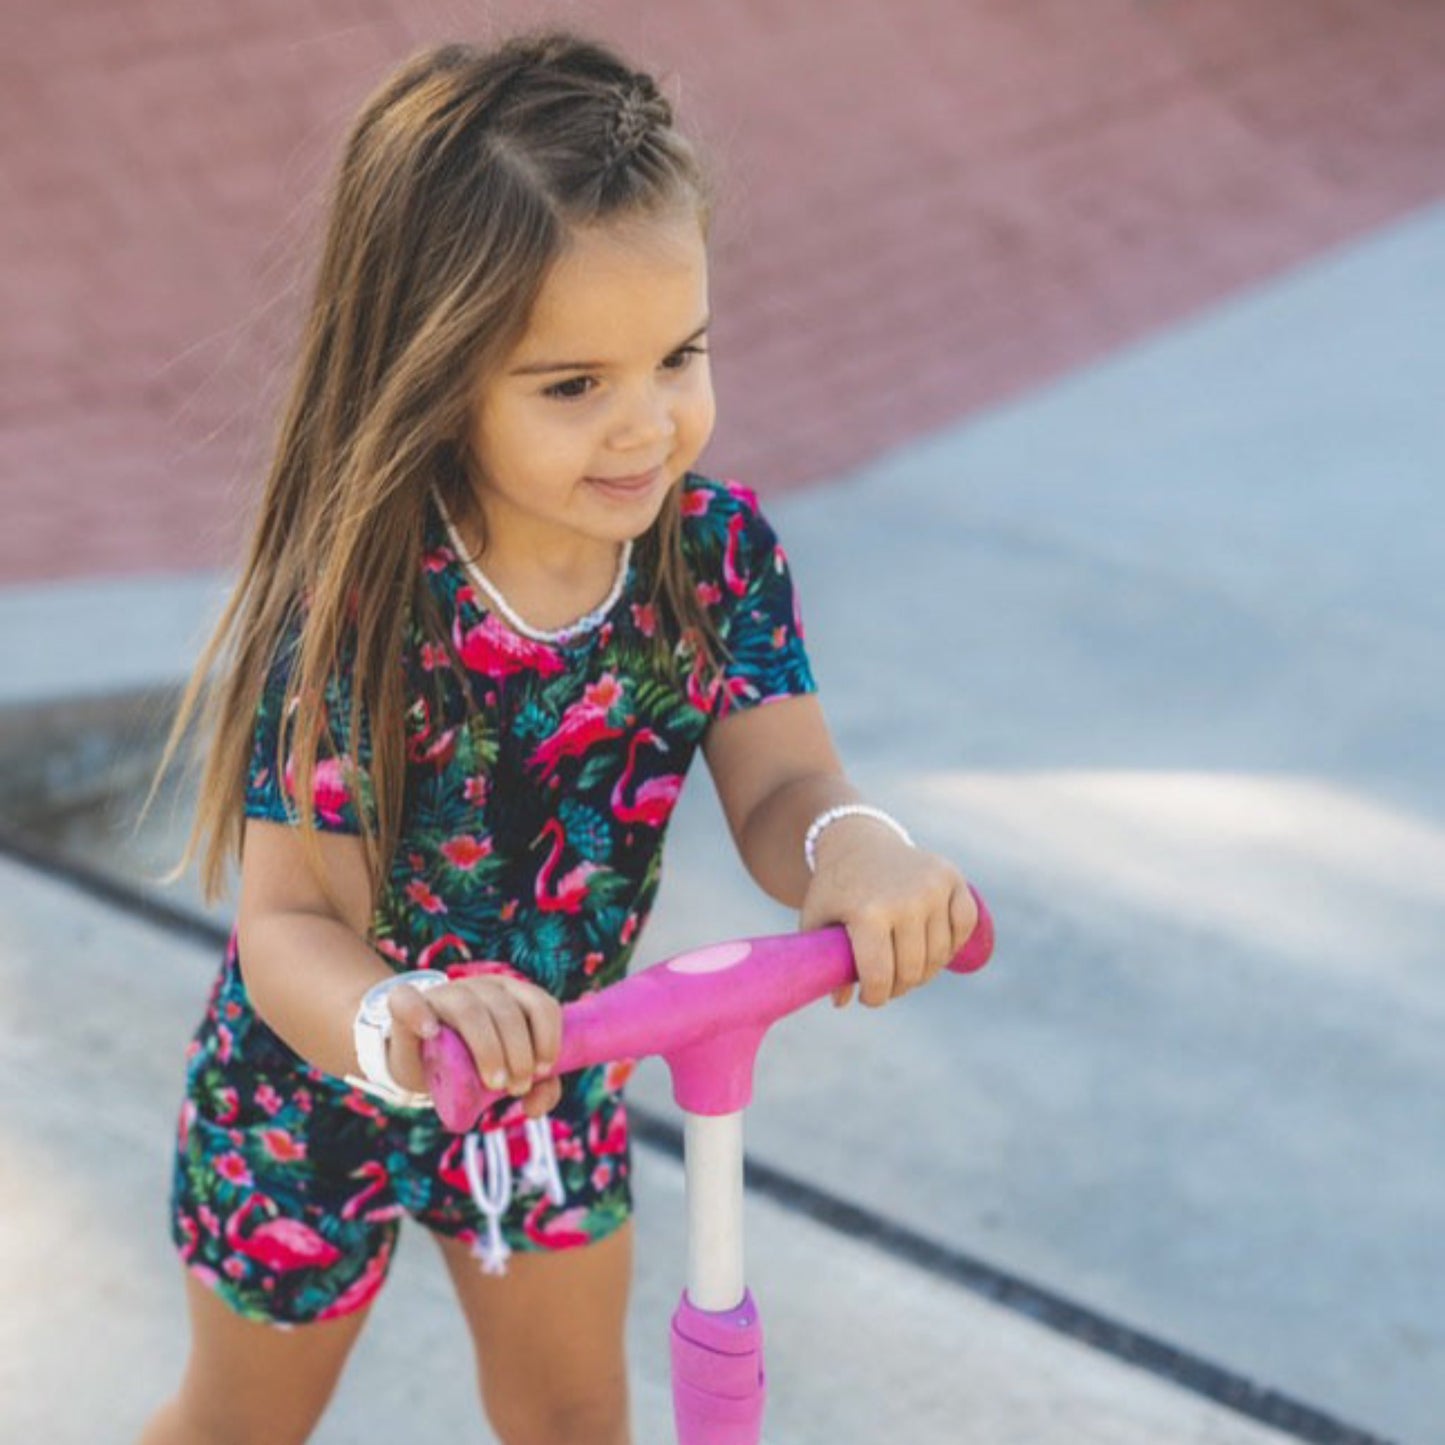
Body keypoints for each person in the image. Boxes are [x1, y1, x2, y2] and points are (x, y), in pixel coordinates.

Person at [136, 27, 980, 1445]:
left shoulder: (707, 556)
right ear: (436, 375)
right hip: (313, 1087)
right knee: (238, 1430)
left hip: (554, 1066)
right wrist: (397, 1019)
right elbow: (290, 924)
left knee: (578, 1419)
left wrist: (858, 851)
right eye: (572, 384)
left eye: (678, 354)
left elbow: (783, 781)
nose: (646, 425)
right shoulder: (361, 606)